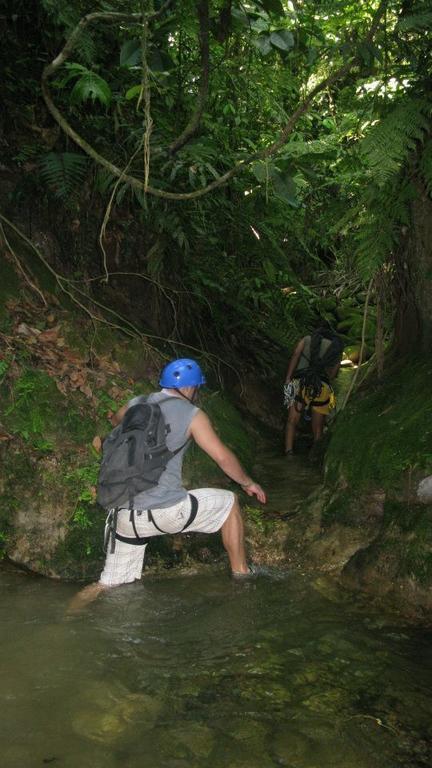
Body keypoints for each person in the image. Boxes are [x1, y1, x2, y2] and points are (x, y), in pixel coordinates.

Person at [70, 358, 266, 609]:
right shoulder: (193, 415)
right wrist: (248, 483)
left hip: (123, 515)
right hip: (164, 512)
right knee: (229, 502)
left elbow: (116, 420)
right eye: (196, 389)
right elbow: (222, 457)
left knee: (108, 584)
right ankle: (242, 576)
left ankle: (66, 618)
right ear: (189, 388)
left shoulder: (136, 403)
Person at [283, 327, 343, 456]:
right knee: (318, 428)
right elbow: (333, 374)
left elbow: (295, 355)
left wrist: (288, 378)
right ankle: (315, 456)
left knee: (292, 420)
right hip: (321, 387)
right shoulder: (336, 348)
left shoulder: (306, 339)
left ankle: (289, 451)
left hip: (300, 383)